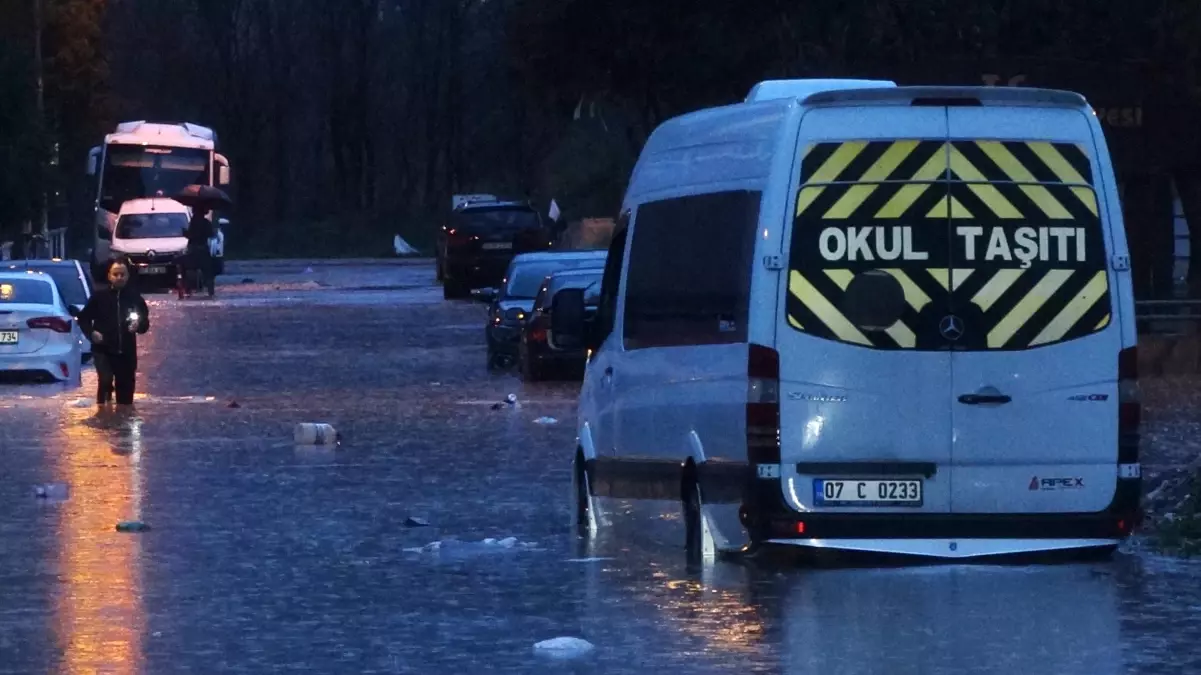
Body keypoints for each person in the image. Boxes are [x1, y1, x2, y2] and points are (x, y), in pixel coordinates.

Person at [77, 259, 150, 406]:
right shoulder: (99, 297)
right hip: (103, 349)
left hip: (126, 352)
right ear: (109, 276)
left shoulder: (135, 298)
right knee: (105, 380)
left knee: (126, 394)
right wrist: (92, 333)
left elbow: (145, 324)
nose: (119, 277)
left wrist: (138, 325)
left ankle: (123, 422)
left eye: (122, 274)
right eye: (115, 274)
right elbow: (83, 318)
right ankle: (104, 414)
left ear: (128, 276)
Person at [183, 207, 215, 297]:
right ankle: (210, 292)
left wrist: (184, 233)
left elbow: (190, 235)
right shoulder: (206, 222)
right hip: (204, 249)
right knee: (208, 271)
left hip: (194, 249)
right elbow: (211, 234)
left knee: (189, 269)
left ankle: (188, 291)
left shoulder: (193, 223)